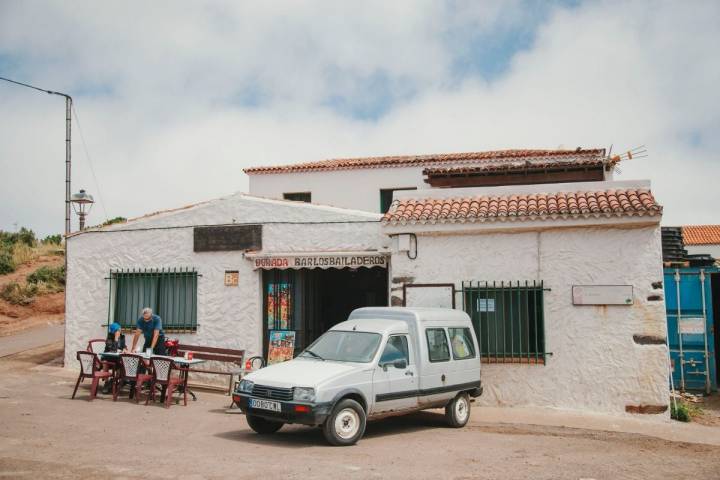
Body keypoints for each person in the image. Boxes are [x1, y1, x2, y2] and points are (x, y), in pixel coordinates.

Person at [101, 322, 126, 394]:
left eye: (120, 329)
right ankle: (106, 382)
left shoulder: (122, 337)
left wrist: (124, 349)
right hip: (108, 357)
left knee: (122, 364)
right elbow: (112, 350)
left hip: (117, 358)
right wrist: (116, 339)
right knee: (105, 363)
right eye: (118, 330)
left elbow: (123, 346)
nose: (120, 331)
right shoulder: (109, 338)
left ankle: (115, 381)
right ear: (114, 330)